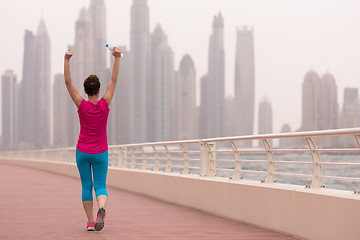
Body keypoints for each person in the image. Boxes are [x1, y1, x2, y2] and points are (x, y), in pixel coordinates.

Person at [64, 47, 121, 231]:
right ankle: (102, 208)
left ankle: (90, 222)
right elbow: (114, 80)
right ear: (98, 90)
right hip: (100, 152)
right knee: (100, 186)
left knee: (86, 186)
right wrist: (117, 57)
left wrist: (67, 59)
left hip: (82, 151)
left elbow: (67, 82)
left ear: (85, 90)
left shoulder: (81, 105)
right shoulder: (105, 104)